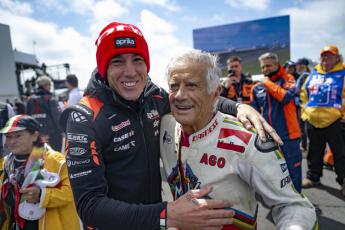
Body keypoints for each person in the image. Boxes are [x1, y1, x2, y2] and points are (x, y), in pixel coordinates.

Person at [59, 21, 282, 230]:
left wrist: (238, 108)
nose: (130, 71)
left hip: (156, 222)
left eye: (137, 59)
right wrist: (168, 214)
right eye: (117, 61)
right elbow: (89, 207)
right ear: (103, 67)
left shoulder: (153, 96)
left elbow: (193, 98)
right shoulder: (84, 118)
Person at [160, 49, 317, 230]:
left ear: (215, 93)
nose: (179, 95)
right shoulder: (163, 124)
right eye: (174, 86)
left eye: (192, 85)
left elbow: (293, 205)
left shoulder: (247, 140)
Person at [0, 115, 81, 230]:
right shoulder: (5, 164)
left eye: (18, 136)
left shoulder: (57, 161)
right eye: (8, 137)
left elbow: (73, 192)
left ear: (35, 135)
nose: (12, 141)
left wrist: (41, 195)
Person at [251, 52, 302, 192]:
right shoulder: (256, 87)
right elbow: (253, 111)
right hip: (268, 137)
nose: (265, 69)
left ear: (276, 64)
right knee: (272, 172)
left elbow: (285, 97)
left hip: (289, 136)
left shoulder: (288, 78)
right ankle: (279, 202)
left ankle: (297, 203)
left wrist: (267, 83)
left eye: (268, 66)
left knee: (293, 171)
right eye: (262, 67)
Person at [300, 45, 345, 196]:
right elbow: (304, 94)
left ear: (337, 58)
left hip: (336, 122)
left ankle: (343, 181)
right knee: (314, 151)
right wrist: (305, 113)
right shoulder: (313, 74)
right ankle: (313, 177)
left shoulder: (343, 73)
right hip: (312, 121)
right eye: (323, 56)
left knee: (340, 154)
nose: (325, 59)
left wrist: (342, 117)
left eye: (330, 56)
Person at [26, 76, 63, 152]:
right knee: (55, 157)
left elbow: (27, 117)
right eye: (49, 85)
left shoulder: (30, 99)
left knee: (39, 158)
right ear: (45, 85)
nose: (50, 87)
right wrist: (62, 131)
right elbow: (57, 117)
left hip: (36, 135)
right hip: (52, 135)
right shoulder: (50, 99)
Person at [295, 58, 311, 151]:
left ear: (302, 65)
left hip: (303, 106)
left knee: (303, 127)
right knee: (303, 127)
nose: (296, 66)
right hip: (303, 105)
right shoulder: (303, 75)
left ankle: (304, 145)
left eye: (298, 64)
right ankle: (304, 144)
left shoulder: (305, 76)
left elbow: (300, 91)